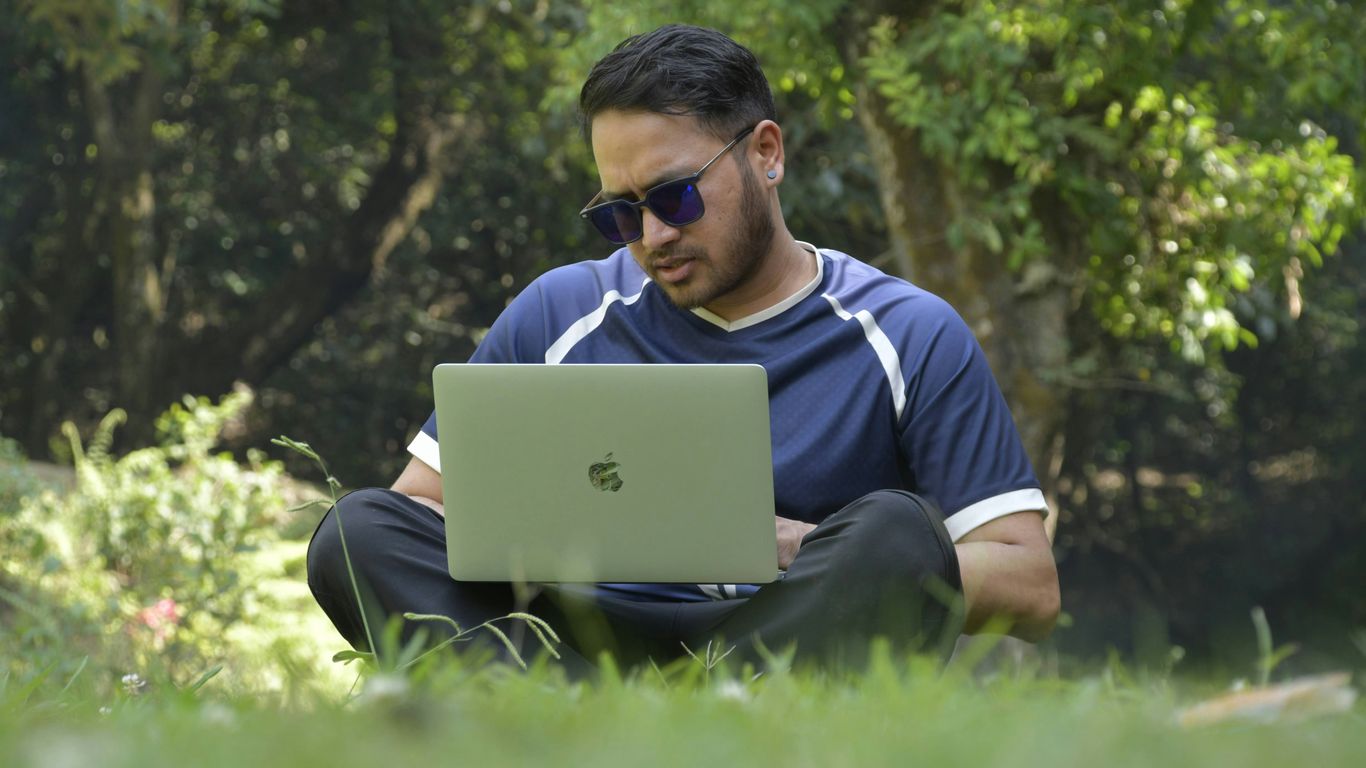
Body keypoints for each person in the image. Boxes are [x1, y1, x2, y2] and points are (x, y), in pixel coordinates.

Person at [307, 24, 1059, 675]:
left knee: (897, 531)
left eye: (675, 198)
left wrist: (802, 546)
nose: (654, 237)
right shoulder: (558, 311)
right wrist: (536, 538)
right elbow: (416, 513)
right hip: (570, 643)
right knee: (356, 530)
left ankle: (729, 701)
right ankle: (548, 706)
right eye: (621, 215)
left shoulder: (908, 331)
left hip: (782, 639)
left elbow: (1029, 585)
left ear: (765, 154)